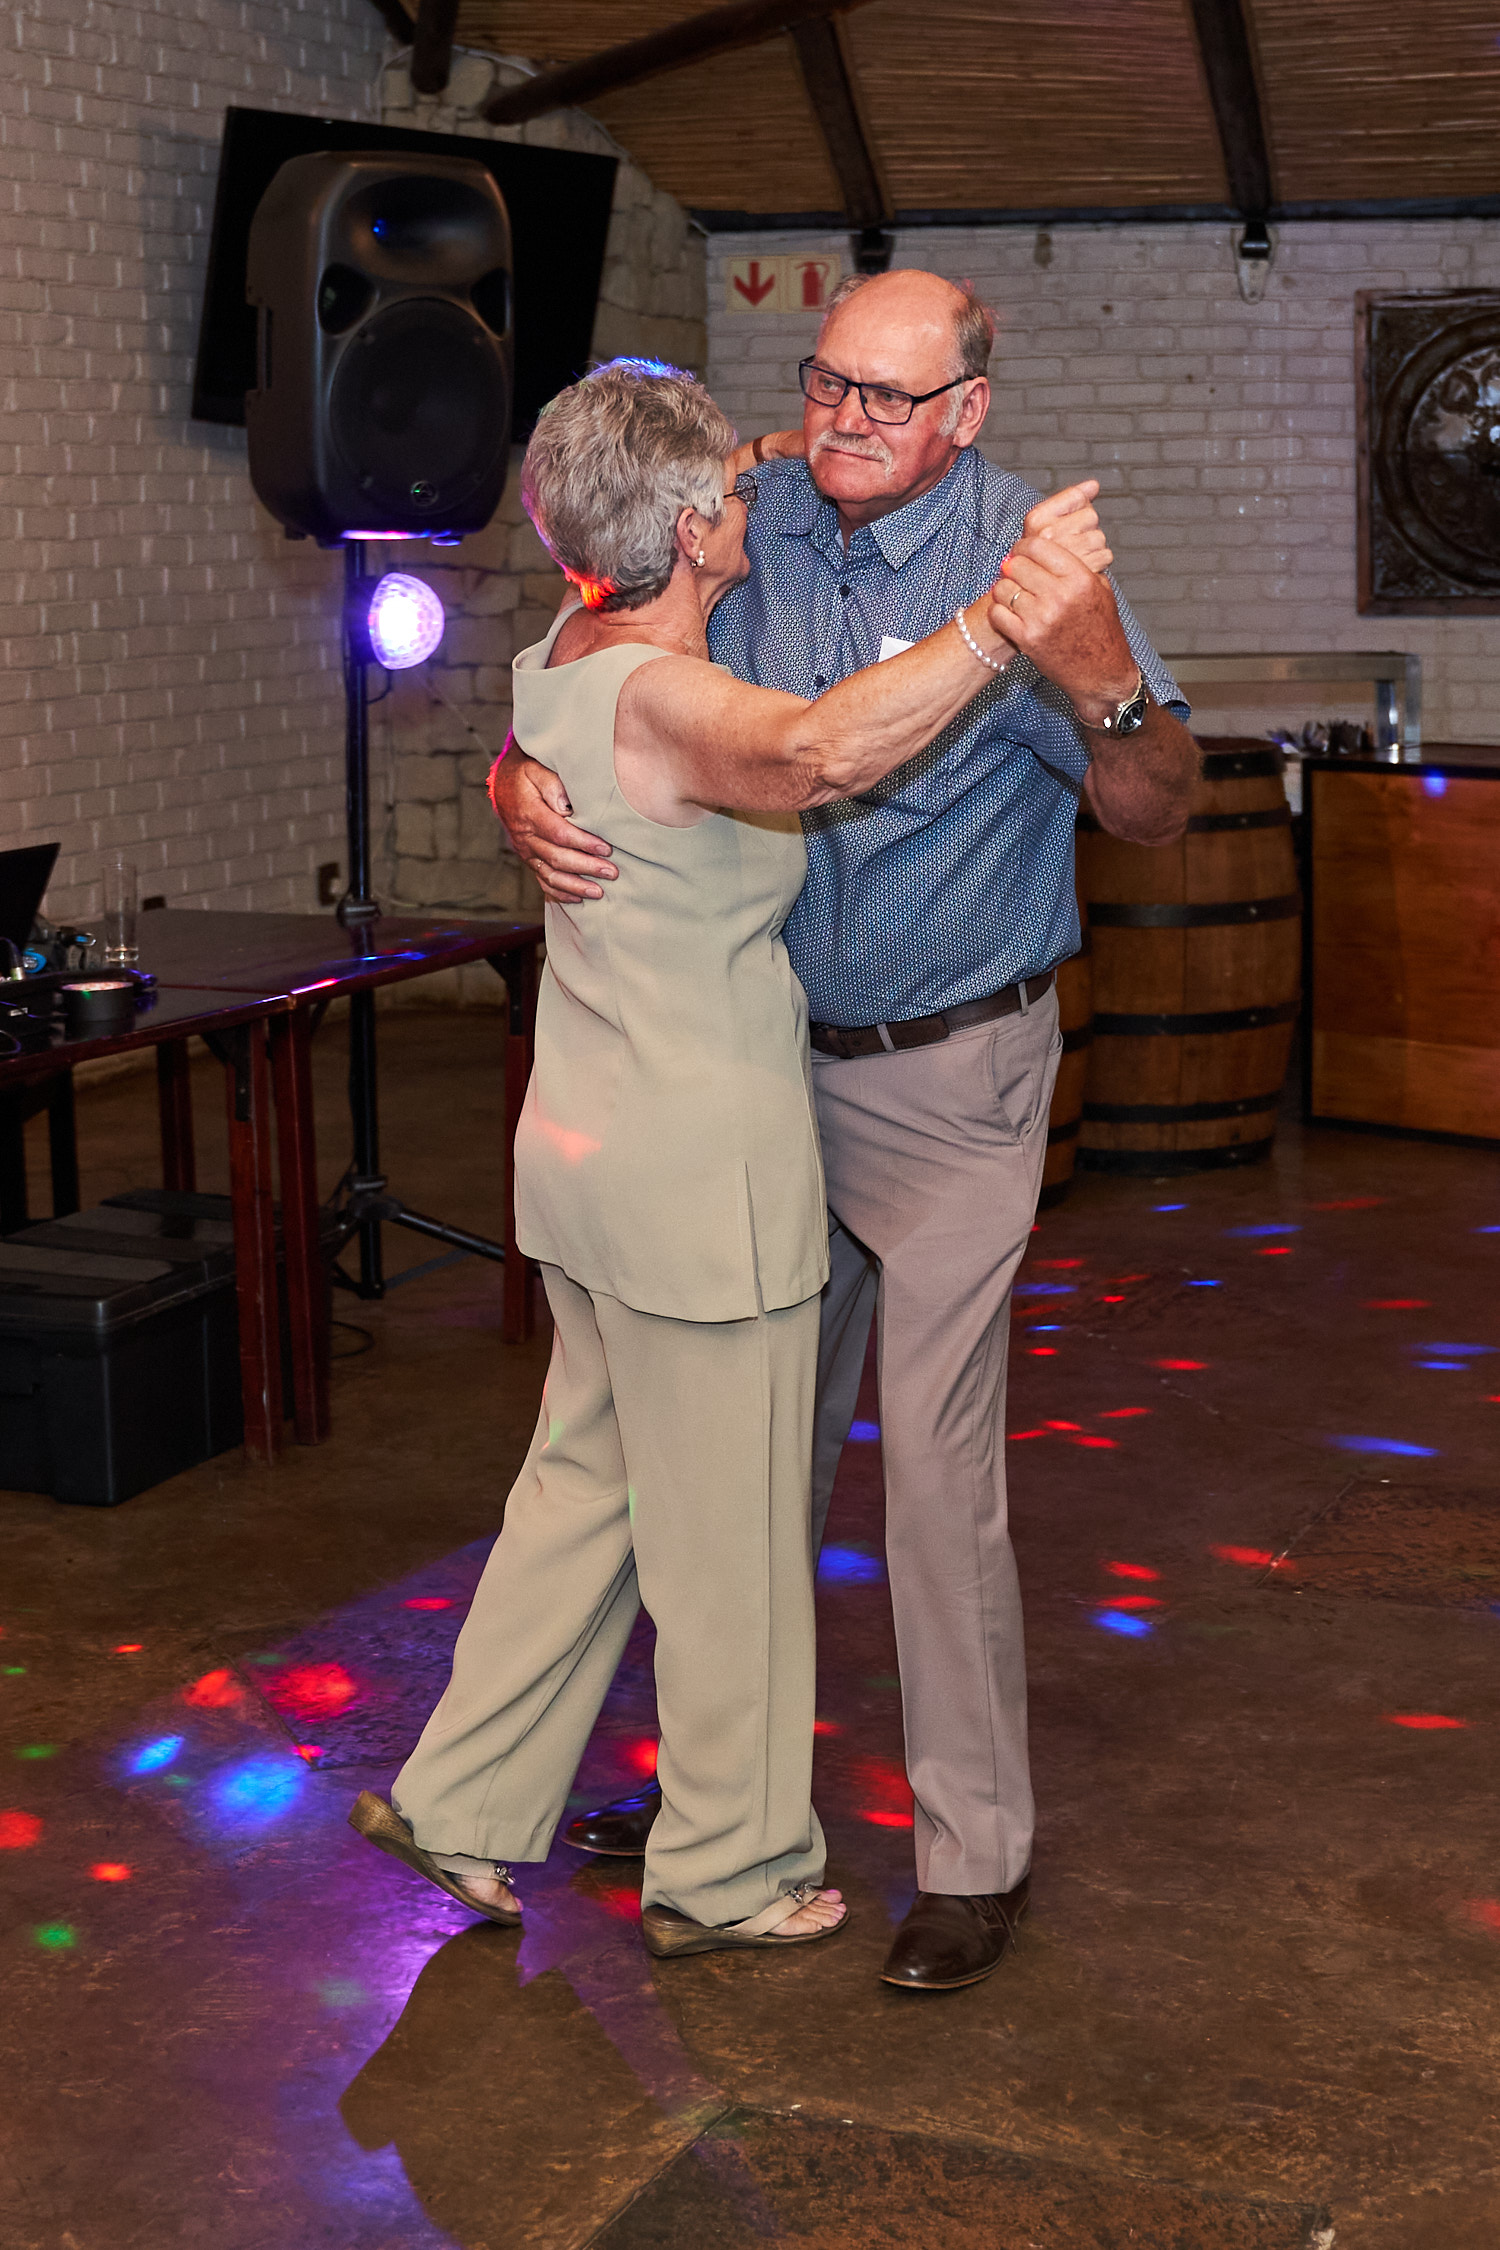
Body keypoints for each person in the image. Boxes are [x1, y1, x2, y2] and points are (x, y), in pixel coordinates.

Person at [492, 271, 1201, 1993]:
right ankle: (718, 1801)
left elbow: (1159, 808)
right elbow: (600, 642)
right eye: (827, 383)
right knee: (732, 1455)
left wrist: (1105, 680)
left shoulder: (1030, 566)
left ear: (968, 409)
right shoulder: (758, 515)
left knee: (935, 1477)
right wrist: (521, 771)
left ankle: (973, 1854)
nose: (847, 420)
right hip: (756, 1075)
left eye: (891, 396)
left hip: (955, 1077)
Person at [350, 355, 1108, 1962]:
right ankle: (731, 1868)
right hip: (703, 1180)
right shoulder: (674, 702)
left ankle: (458, 1799)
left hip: (586, 1158)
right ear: (693, 528)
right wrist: (996, 619)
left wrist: (748, 450)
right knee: (735, 1537)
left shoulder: (561, 656)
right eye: (729, 493)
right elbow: (819, 753)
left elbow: (699, 507)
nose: (762, 490)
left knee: (585, 1494)